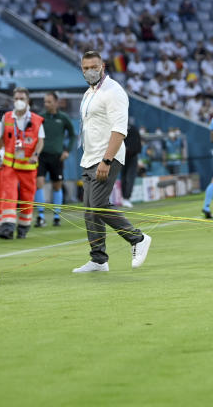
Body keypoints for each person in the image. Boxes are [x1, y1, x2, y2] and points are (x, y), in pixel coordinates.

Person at [72, 51, 151, 273]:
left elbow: (119, 129)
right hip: (89, 157)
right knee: (90, 211)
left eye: (94, 66)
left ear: (103, 67)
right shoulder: (89, 93)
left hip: (106, 156)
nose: (89, 71)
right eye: (85, 67)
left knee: (98, 204)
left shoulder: (113, 91)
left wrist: (106, 160)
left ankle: (138, 239)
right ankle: (98, 260)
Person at [0, 87, 44, 239]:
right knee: (9, 195)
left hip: (28, 166)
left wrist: (35, 154)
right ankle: (7, 227)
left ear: (28, 101)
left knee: (27, 198)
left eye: (22, 99)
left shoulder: (36, 120)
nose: (19, 101)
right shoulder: (7, 117)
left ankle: (23, 227)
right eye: (16, 99)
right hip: (10, 166)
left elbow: (40, 141)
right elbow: (1, 138)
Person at [34, 92, 76, 228]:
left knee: (57, 186)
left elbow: (73, 135)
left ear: (56, 103)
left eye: (49, 102)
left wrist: (67, 151)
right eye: (45, 102)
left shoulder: (63, 118)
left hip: (57, 157)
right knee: (38, 183)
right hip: (42, 156)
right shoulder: (40, 117)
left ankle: (57, 216)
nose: (46, 104)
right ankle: (40, 217)